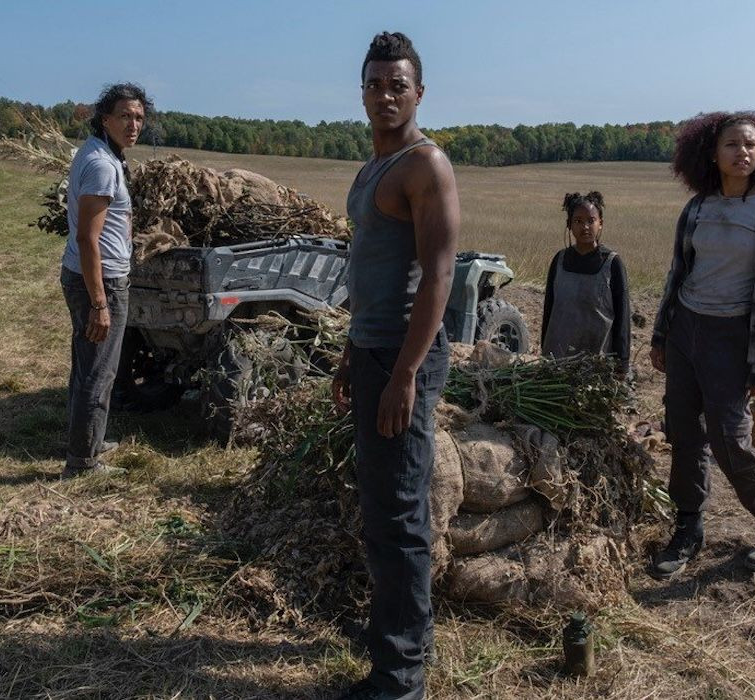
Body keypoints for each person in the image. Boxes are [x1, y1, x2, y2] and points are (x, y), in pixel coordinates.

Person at [331, 32, 460, 700]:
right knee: (381, 505)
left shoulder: (424, 165)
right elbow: (368, 270)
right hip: (374, 347)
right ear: (362, 91)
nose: (385, 95)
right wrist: (353, 352)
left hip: (406, 353)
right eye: (375, 84)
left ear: (419, 93)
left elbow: (439, 274)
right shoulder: (371, 169)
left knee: (401, 513)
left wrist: (406, 373)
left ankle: (401, 677)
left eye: (397, 85)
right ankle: (397, 632)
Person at [647, 111, 755, 580]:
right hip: (686, 330)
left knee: (731, 438)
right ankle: (689, 528)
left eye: (751, 145)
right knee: (683, 434)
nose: (743, 153)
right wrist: (661, 334)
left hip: (734, 336)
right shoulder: (697, 208)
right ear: (712, 154)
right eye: (732, 145)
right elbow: (678, 274)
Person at [60, 83, 150, 478]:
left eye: (139, 117)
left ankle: (88, 440)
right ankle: (82, 463)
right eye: (125, 116)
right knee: (99, 371)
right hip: (101, 281)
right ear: (105, 119)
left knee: (87, 364)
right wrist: (99, 302)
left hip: (89, 275)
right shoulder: (101, 164)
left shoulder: (101, 154)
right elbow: (87, 237)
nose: (133, 124)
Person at [540, 191, 631, 375]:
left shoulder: (612, 264)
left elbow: (623, 317)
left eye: (591, 220)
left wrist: (622, 364)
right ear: (569, 224)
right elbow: (549, 310)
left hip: (597, 365)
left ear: (601, 224)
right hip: (557, 361)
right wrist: (544, 354)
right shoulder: (559, 260)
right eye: (578, 221)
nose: (585, 227)